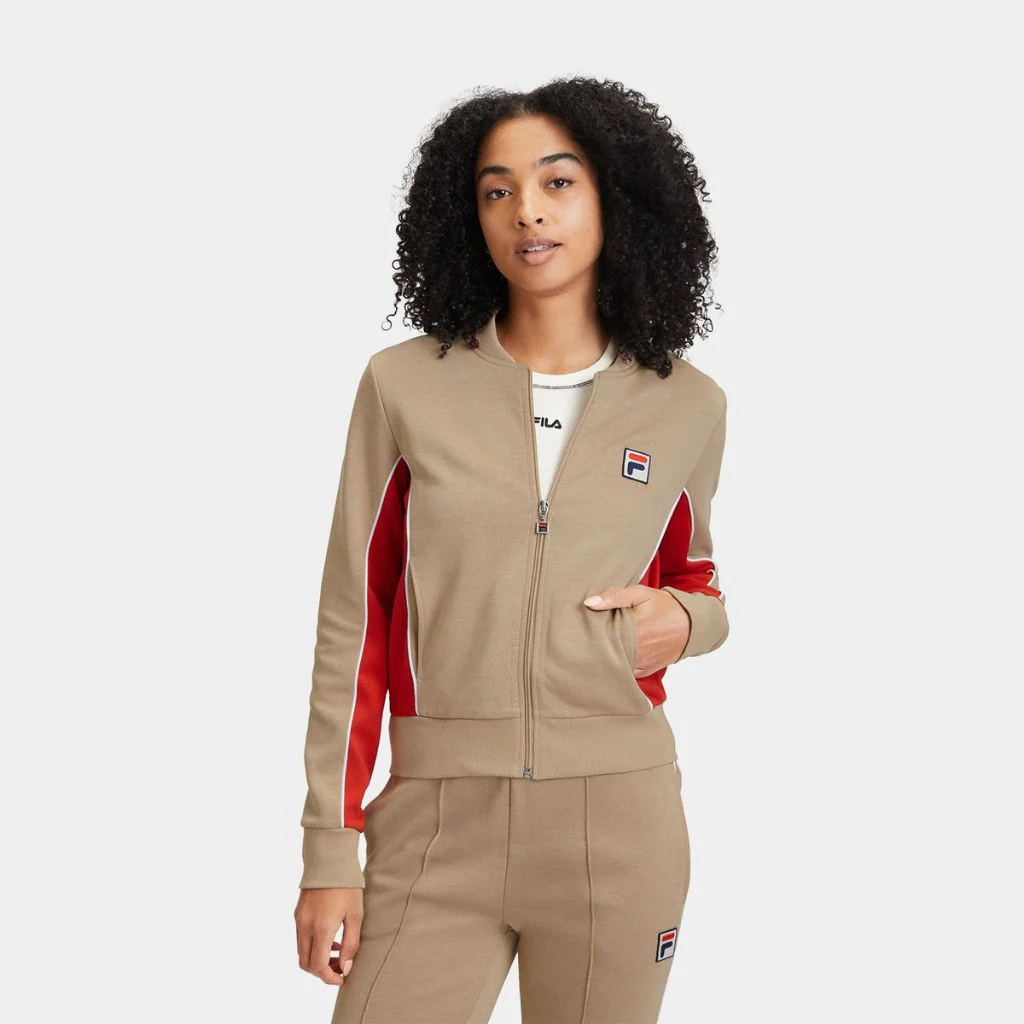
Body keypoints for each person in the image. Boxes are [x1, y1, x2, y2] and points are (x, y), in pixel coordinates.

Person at [293, 75, 730, 1024]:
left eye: (557, 182)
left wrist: (690, 621)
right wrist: (331, 847)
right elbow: (354, 620)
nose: (526, 210)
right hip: (434, 821)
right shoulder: (405, 386)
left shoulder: (688, 404)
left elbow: (695, 577)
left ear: (619, 200)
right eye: (497, 191)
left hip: (619, 824)